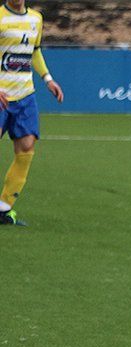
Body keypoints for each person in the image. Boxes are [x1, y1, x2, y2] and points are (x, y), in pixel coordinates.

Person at [0, 0, 64, 226]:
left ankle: (4, 208)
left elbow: (34, 51)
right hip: (1, 94)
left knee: (27, 147)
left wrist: (48, 79)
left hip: (26, 95)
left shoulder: (36, 19)